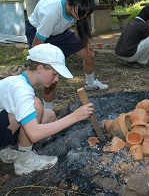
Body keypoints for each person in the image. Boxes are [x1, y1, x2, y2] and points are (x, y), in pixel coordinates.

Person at [0, 43, 94, 175]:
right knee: (36, 105)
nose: (57, 79)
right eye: (54, 74)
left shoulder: (20, 80)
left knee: (48, 115)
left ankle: (4, 150)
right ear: (39, 69)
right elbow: (34, 134)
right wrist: (75, 116)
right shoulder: (20, 88)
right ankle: (25, 161)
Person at [25, 0, 109, 110]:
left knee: (89, 55)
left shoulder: (78, 8)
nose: (83, 16)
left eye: (86, 13)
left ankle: (90, 84)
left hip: (60, 31)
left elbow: (81, 23)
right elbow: (37, 45)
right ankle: (48, 111)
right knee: (51, 73)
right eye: (81, 13)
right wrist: (37, 63)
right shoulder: (51, 13)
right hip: (38, 33)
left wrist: (87, 41)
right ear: (69, 4)